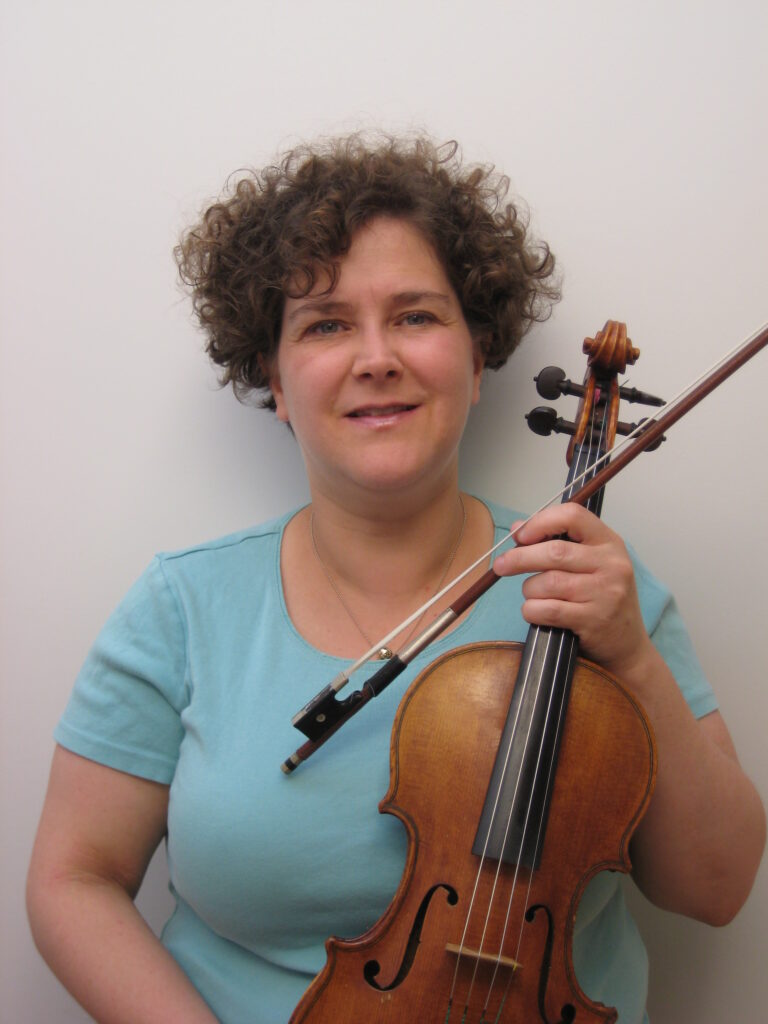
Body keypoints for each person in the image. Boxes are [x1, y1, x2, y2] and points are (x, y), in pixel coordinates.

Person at [27, 135, 765, 1024]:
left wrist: (634, 661)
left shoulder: (591, 585)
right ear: (272, 371)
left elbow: (716, 890)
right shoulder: (184, 607)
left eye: (416, 316)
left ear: (477, 353)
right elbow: (74, 880)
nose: (376, 357)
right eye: (327, 324)